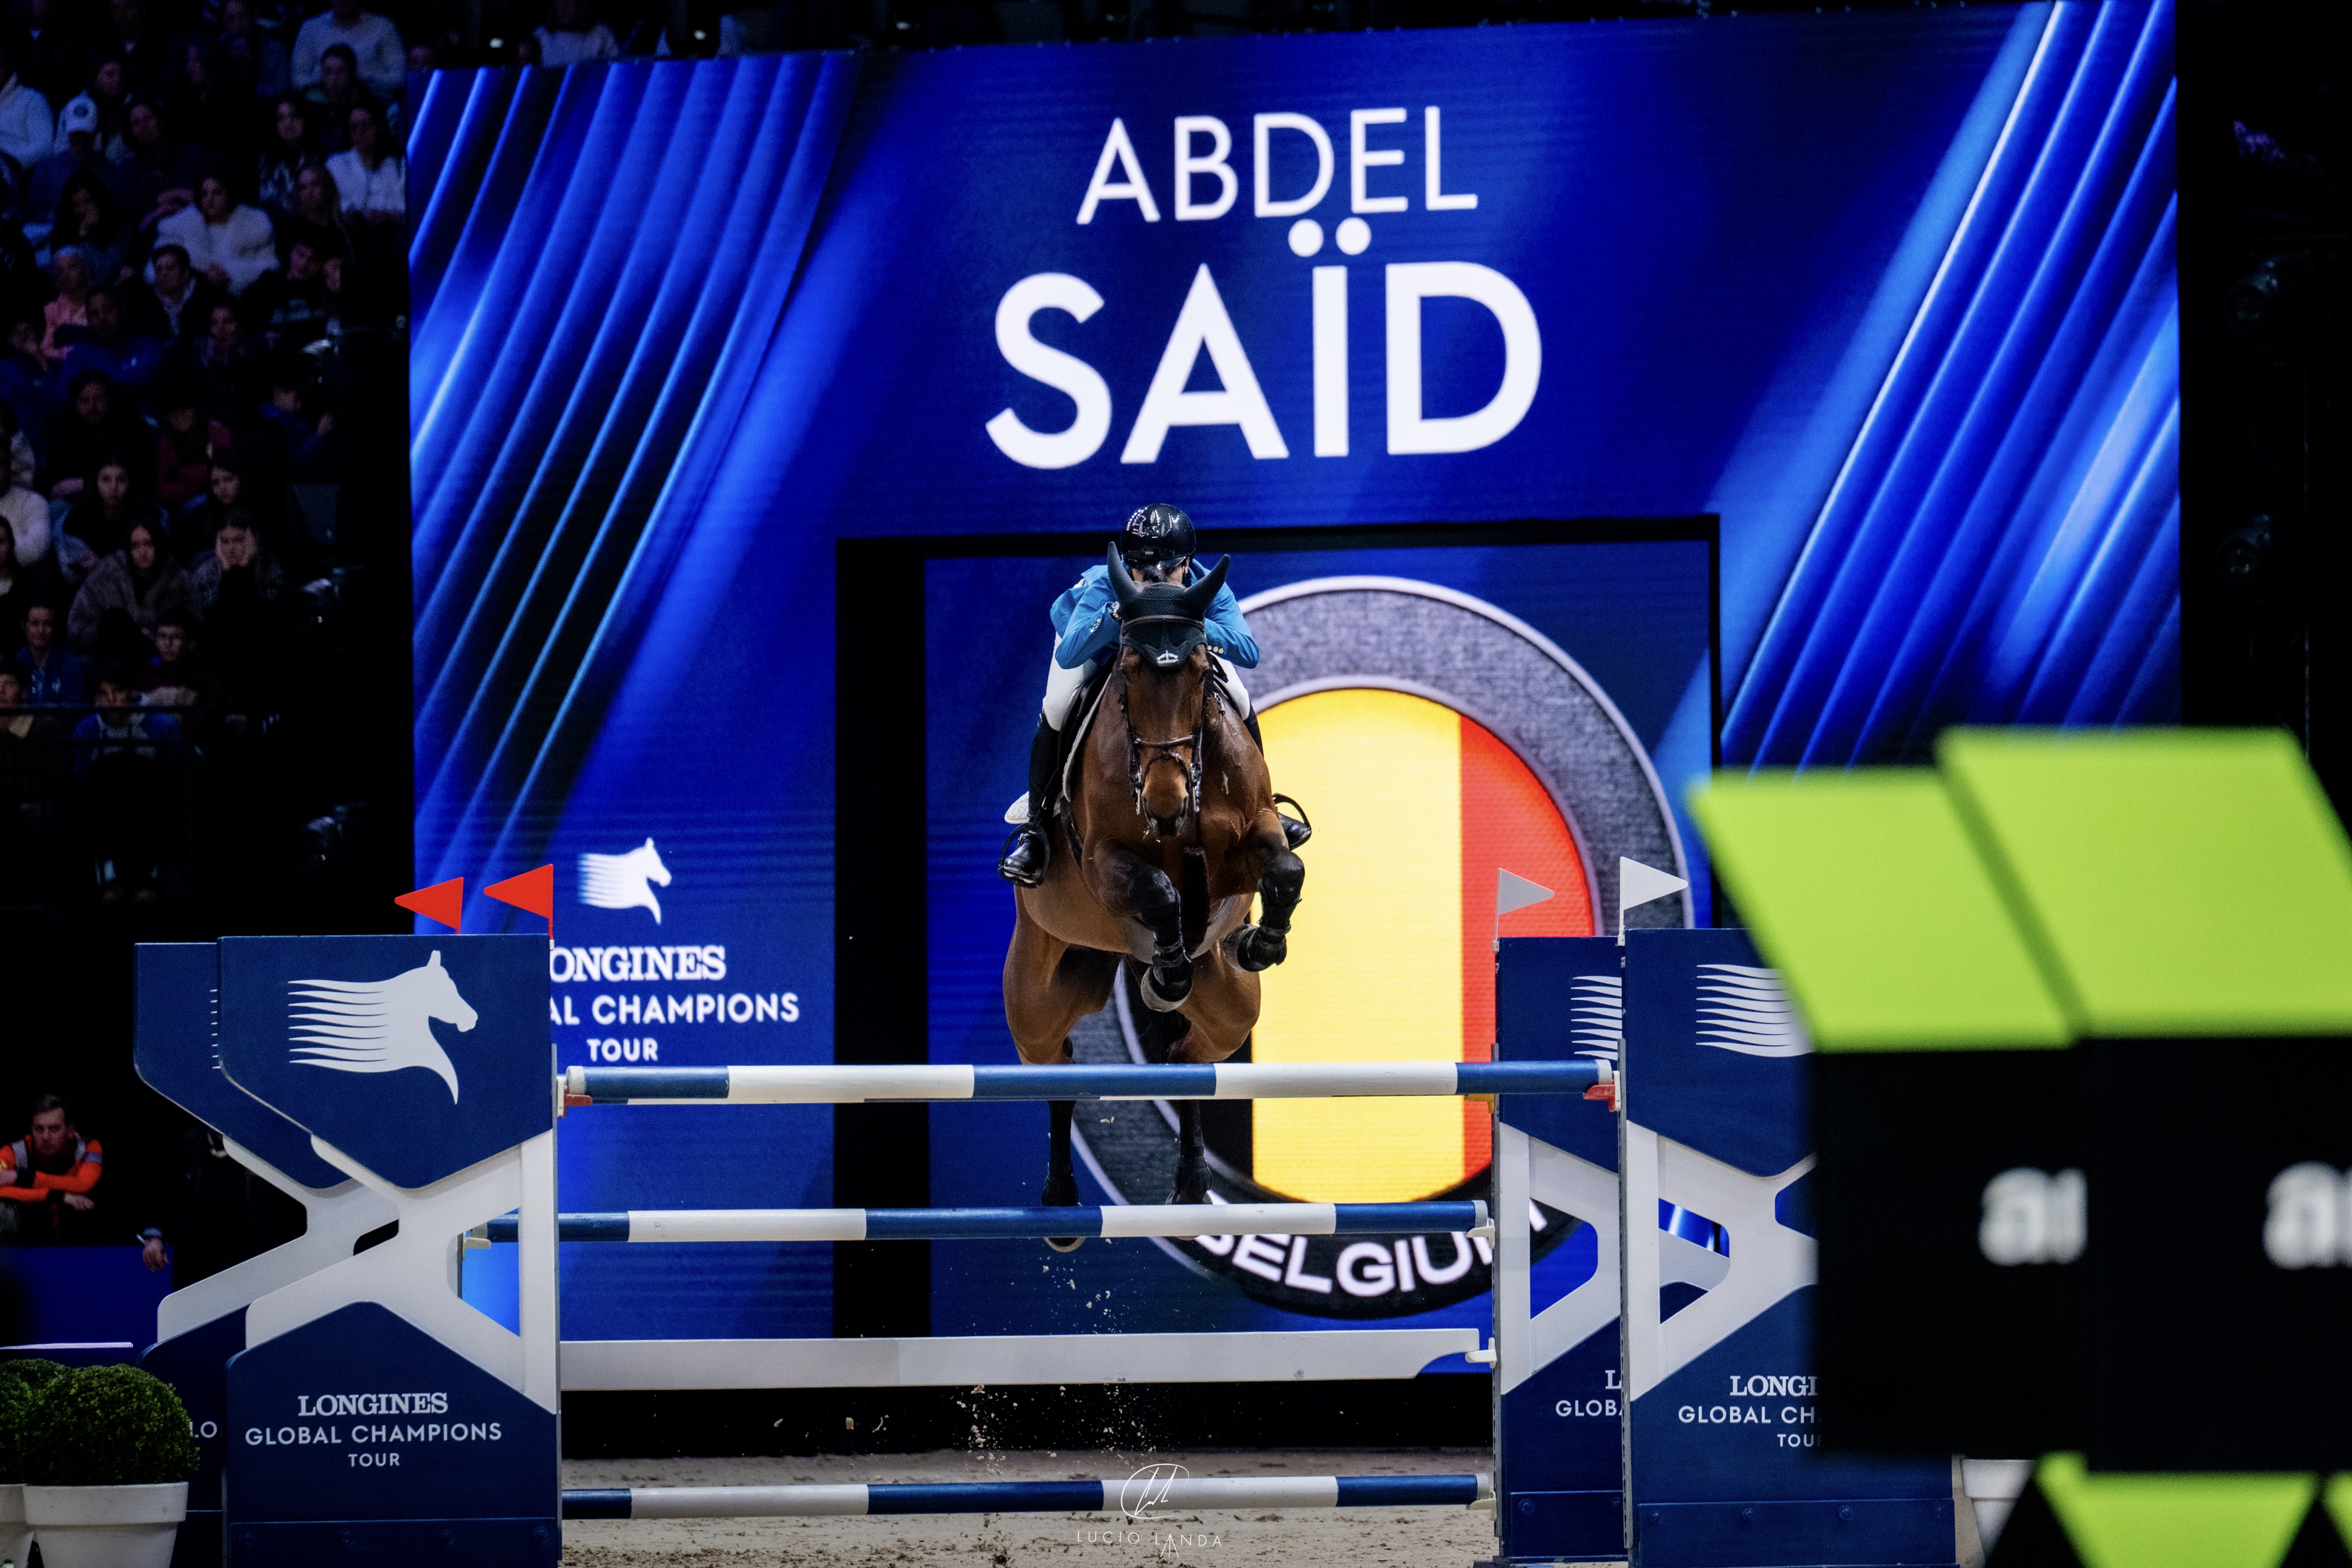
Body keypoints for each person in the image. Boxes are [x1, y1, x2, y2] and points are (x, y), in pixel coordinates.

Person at [996, 504, 1308, 886]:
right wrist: (1116, 614)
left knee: (1238, 696)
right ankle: (1036, 829)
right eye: (1142, 573)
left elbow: (1248, 651)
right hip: (1098, 646)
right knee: (1058, 705)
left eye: (1167, 571)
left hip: (1179, 643)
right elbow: (1070, 652)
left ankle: (1266, 806)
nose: (1154, 582)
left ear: (1187, 564)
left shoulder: (1206, 585)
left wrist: (1192, 621)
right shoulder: (1106, 585)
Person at [71, 661, 183, 900]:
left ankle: (147, 877)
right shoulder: (87, 730)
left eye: (118, 691)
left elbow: (177, 775)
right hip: (104, 807)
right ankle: (108, 878)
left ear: (132, 693)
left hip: (149, 806)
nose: (111, 700)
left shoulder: (160, 726)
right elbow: (80, 781)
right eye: (103, 694)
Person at [70, 515, 187, 655]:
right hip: (111, 657)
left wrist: (155, 635)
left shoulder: (177, 579)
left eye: (149, 544)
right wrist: (119, 631)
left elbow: (191, 627)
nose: (142, 552)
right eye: (135, 546)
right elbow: (76, 630)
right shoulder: (105, 576)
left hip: (163, 657)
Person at [0, 1095, 104, 1244]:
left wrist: (22, 1177)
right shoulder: (11, 1152)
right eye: (39, 1129)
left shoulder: (89, 1147)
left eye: (54, 1129)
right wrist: (57, 1196)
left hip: (84, 1242)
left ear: (70, 1131)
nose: (46, 1136)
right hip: (26, 1241)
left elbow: (83, 1185)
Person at [153, 171, 276, 295]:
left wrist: (230, 274)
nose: (210, 199)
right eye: (205, 194)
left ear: (229, 194)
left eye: (217, 192)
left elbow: (269, 266)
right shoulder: (179, 227)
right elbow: (153, 270)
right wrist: (201, 274)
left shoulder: (255, 226)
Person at [113, 95, 204, 235]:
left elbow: (207, 189)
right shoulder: (128, 168)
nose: (143, 127)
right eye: (136, 123)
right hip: (153, 235)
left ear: (161, 121)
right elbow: (127, 207)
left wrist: (178, 198)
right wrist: (161, 204)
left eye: (148, 119)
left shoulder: (191, 153)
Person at [56, 279, 165, 393]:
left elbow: (148, 377)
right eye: (95, 313)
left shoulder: (148, 346)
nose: (102, 318)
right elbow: (64, 393)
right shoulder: (79, 355)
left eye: (108, 309)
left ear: (122, 311)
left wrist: (95, 383)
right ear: (88, 321)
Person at [291, 0, 402, 102]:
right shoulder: (311, 28)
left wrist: (362, 82)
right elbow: (298, 79)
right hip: (321, 106)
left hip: (372, 105)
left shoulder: (383, 26)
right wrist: (329, 82)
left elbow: (399, 76)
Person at [46, 170, 134, 284]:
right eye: (77, 205)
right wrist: (83, 235)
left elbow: (109, 270)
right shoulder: (61, 235)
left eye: (88, 201)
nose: (83, 209)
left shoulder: (120, 227)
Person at [153, 381, 231, 508]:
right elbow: (162, 491)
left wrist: (181, 474)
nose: (179, 417)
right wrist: (202, 486)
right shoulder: (164, 445)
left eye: (183, 410)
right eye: (173, 413)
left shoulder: (219, 433)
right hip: (181, 510)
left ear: (195, 409)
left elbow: (225, 474)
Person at [324, 97, 397, 228]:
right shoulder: (336, 164)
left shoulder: (396, 165)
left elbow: (403, 206)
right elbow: (332, 203)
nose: (360, 133)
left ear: (380, 128)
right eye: (354, 128)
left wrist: (389, 216)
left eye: (366, 126)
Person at [252, 95, 313, 223]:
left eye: (295, 116)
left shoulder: (320, 157)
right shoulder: (267, 160)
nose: (288, 124)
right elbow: (264, 201)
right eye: (282, 118)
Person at [215, 0, 292, 101]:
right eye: (231, 19)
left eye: (243, 16)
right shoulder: (218, 48)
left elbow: (282, 93)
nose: (237, 25)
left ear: (254, 16)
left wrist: (252, 69)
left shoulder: (275, 49)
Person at [0, 33, 53, 175]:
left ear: (9, 63)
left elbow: (44, 149)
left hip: (17, 182)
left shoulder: (33, 100)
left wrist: (9, 163)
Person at [140, 240, 212, 345]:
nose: (163, 275)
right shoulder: (146, 304)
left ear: (186, 273)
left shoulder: (205, 298)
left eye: (170, 268)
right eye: (159, 270)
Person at [14, 600, 85, 703]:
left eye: (47, 624)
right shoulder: (16, 664)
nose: (41, 630)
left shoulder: (72, 665)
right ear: (24, 626)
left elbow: (72, 712)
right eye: (35, 623)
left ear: (55, 627)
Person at [534, 0, 619, 64]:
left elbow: (615, 66)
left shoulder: (602, 34)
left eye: (570, 2)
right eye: (560, 2)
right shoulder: (541, 36)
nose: (564, 8)